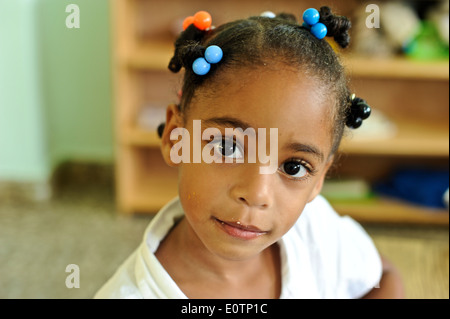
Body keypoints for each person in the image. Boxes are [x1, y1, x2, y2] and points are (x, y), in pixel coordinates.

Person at [95, 7, 404, 299]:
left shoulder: (315, 229)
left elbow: (384, 275)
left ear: (320, 178)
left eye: (294, 167)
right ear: (176, 138)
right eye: (227, 147)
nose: (257, 193)